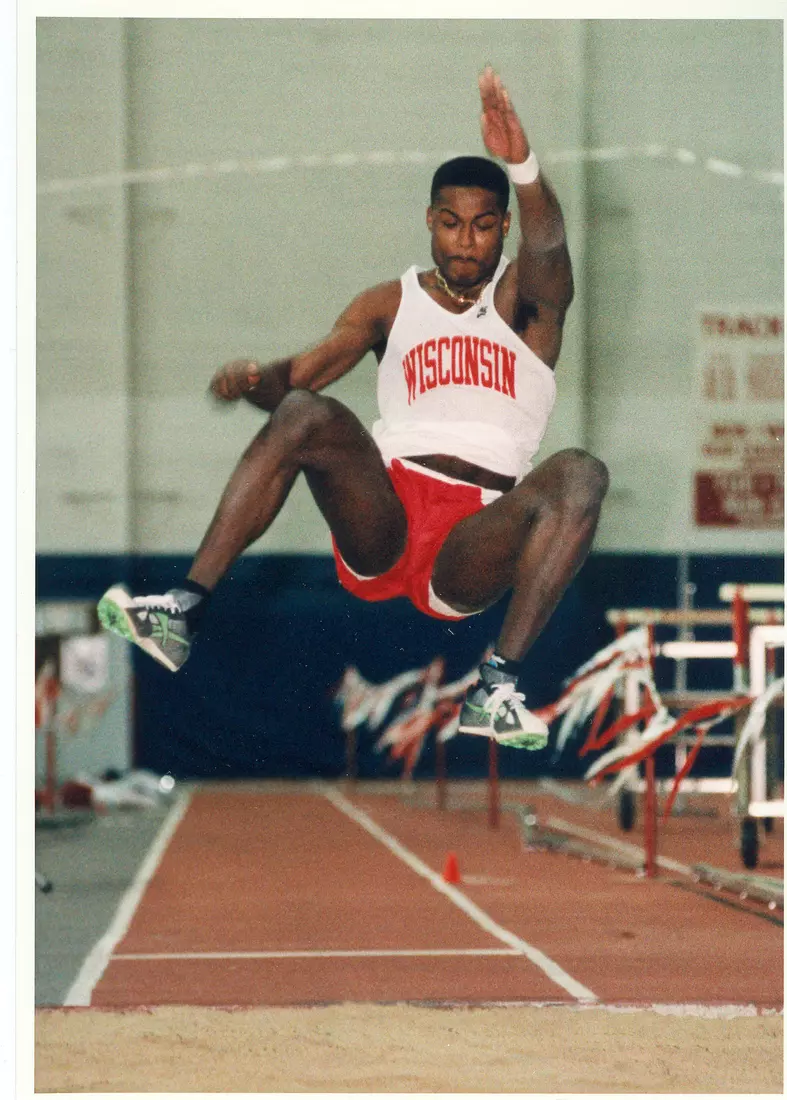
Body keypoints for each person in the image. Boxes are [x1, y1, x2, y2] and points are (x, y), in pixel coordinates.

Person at [98, 66, 609, 750]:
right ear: (429, 221)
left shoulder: (526, 303)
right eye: (451, 223)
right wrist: (254, 380)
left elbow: (547, 247)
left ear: (503, 228)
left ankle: (496, 687)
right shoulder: (389, 303)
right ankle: (181, 612)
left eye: (483, 226)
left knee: (580, 474)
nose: (465, 241)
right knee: (306, 413)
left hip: (474, 535)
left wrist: (521, 163)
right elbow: (297, 382)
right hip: (383, 514)